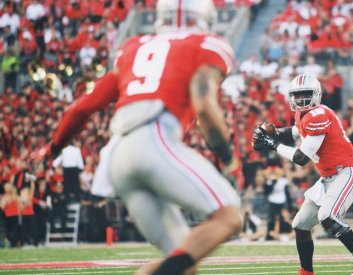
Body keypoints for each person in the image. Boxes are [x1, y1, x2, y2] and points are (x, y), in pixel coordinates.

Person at [32, 1, 242, 274]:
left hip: (119, 156)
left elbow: (81, 108)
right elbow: (204, 106)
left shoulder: (134, 47)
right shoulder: (207, 43)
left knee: (184, 265)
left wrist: (51, 150)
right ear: (205, 16)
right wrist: (228, 160)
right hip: (154, 139)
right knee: (229, 217)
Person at [252, 73, 353, 275]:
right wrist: (273, 134)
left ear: (316, 94)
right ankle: (306, 272)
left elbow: (301, 159)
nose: (301, 100)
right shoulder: (304, 115)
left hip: (347, 172)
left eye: (306, 95)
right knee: (300, 225)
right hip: (328, 178)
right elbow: (295, 131)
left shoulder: (319, 114)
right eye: (298, 95)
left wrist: (273, 144)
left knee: (327, 216)